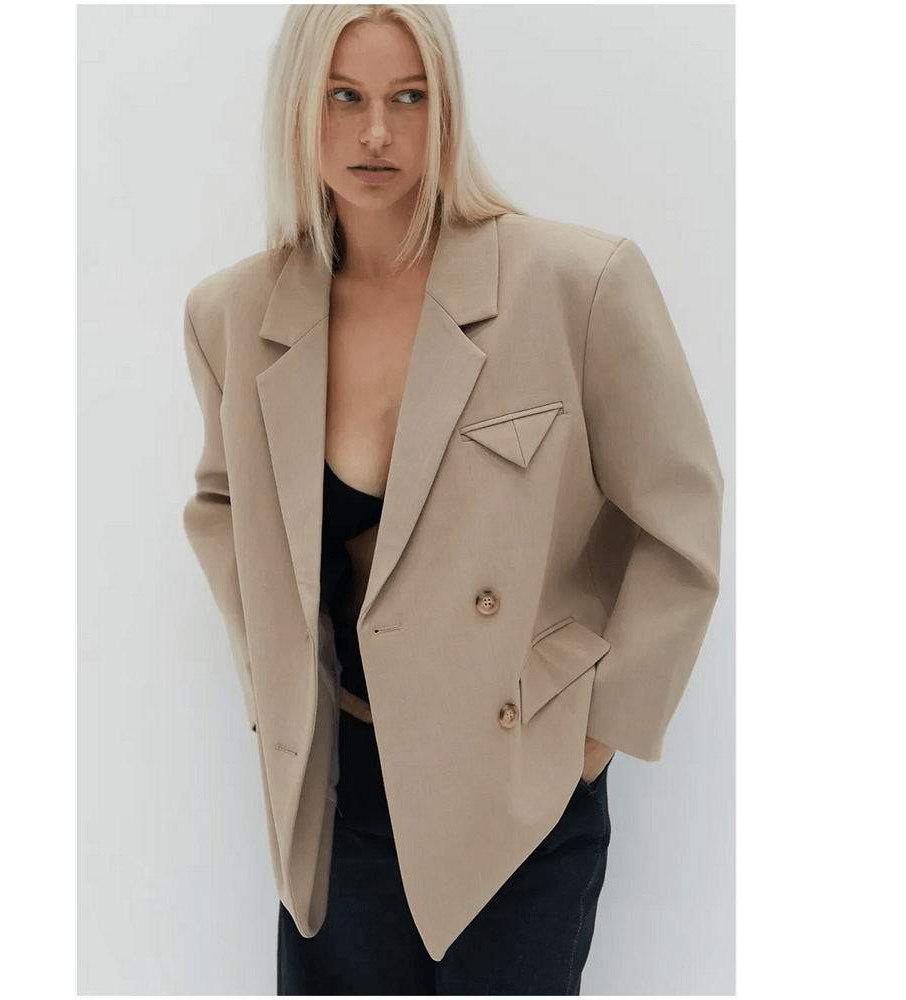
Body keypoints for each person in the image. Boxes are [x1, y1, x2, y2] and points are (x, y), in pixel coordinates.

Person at [182, 4, 723, 995]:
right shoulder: (234, 314)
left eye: (408, 97)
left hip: (514, 797)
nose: (375, 132)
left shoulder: (574, 282)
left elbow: (679, 523)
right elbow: (220, 504)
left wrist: (592, 736)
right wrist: (274, 677)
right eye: (343, 96)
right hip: (336, 798)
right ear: (298, 106)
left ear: (447, 109)